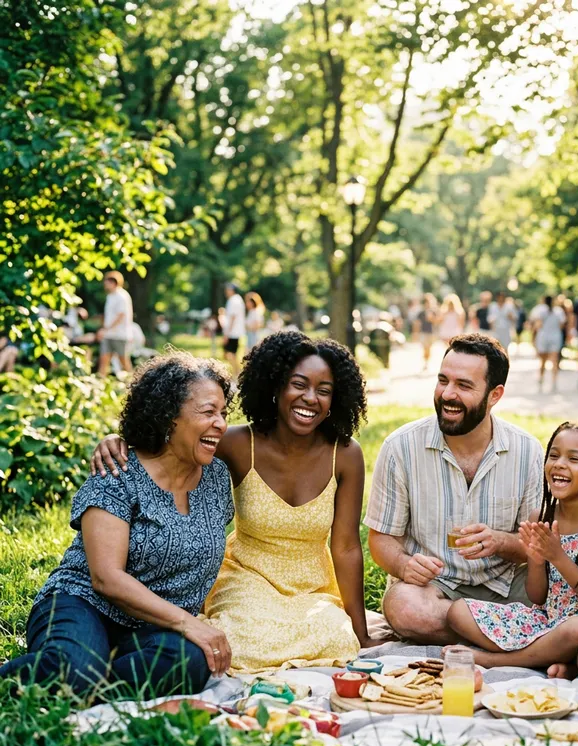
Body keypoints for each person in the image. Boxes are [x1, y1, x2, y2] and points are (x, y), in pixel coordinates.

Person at [91, 332, 382, 673]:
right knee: (239, 641)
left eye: (324, 390)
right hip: (248, 577)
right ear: (274, 387)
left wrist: (360, 632)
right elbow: (173, 440)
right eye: (298, 384)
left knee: (334, 637)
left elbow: (346, 548)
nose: (310, 398)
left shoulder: (345, 455)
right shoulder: (237, 443)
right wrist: (118, 440)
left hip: (312, 585)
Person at [0, 354, 235, 698]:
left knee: (191, 662)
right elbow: (106, 578)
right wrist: (189, 622)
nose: (221, 424)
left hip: (155, 626)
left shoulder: (216, 477)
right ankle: (77, 671)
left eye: (224, 414)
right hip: (83, 603)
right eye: (208, 412)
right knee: (76, 669)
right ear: (169, 417)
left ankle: (86, 680)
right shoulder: (118, 471)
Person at [366, 333, 545, 644]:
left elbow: (535, 547)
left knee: (568, 592)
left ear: (495, 395)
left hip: (506, 588)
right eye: (442, 380)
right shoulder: (400, 447)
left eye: (464, 385)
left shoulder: (527, 451)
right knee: (404, 608)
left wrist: (500, 541)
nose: (448, 394)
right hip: (435, 591)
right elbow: (381, 538)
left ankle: (485, 635)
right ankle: (519, 635)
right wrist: (404, 564)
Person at [446, 422, 578, 673]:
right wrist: (535, 560)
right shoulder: (542, 516)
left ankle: (496, 660)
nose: (559, 464)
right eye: (554, 455)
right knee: (458, 612)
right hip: (550, 619)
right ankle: (558, 659)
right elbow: (537, 597)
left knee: (576, 629)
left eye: (574, 459)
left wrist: (558, 558)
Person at [97, 271, 134, 377]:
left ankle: (133, 383)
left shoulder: (122, 296)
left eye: (107, 282)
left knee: (123, 360)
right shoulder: (110, 296)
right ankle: (100, 384)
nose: (105, 284)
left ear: (114, 282)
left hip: (120, 335)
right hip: (108, 334)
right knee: (104, 359)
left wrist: (106, 329)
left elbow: (121, 316)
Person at [529, 296, 566, 392]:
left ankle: (541, 379)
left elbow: (538, 325)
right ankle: (554, 381)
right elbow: (562, 325)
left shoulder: (540, 311)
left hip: (543, 337)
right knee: (554, 360)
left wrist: (533, 338)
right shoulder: (559, 311)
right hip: (555, 336)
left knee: (543, 360)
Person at [222, 283, 246, 374]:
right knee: (232, 354)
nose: (226, 291)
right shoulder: (238, 299)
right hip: (235, 332)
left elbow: (232, 318)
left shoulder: (233, 300)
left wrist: (226, 334)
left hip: (233, 333)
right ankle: (236, 373)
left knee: (230, 354)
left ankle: (236, 374)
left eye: (227, 289)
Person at [420, 294, 438, 371]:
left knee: (429, 348)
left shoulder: (434, 312)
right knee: (425, 347)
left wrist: (432, 319)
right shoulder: (421, 312)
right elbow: (418, 323)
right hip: (423, 332)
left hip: (431, 332)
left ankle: (427, 361)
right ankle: (425, 362)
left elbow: (437, 322)